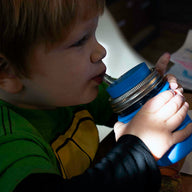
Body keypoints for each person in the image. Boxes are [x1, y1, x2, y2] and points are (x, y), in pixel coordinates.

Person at [0, 0, 191, 191]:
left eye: (94, 34)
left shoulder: (69, 93)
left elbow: (123, 113)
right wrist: (137, 150)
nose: (101, 51)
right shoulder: (8, 143)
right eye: (79, 41)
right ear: (8, 73)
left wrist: (147, 98)